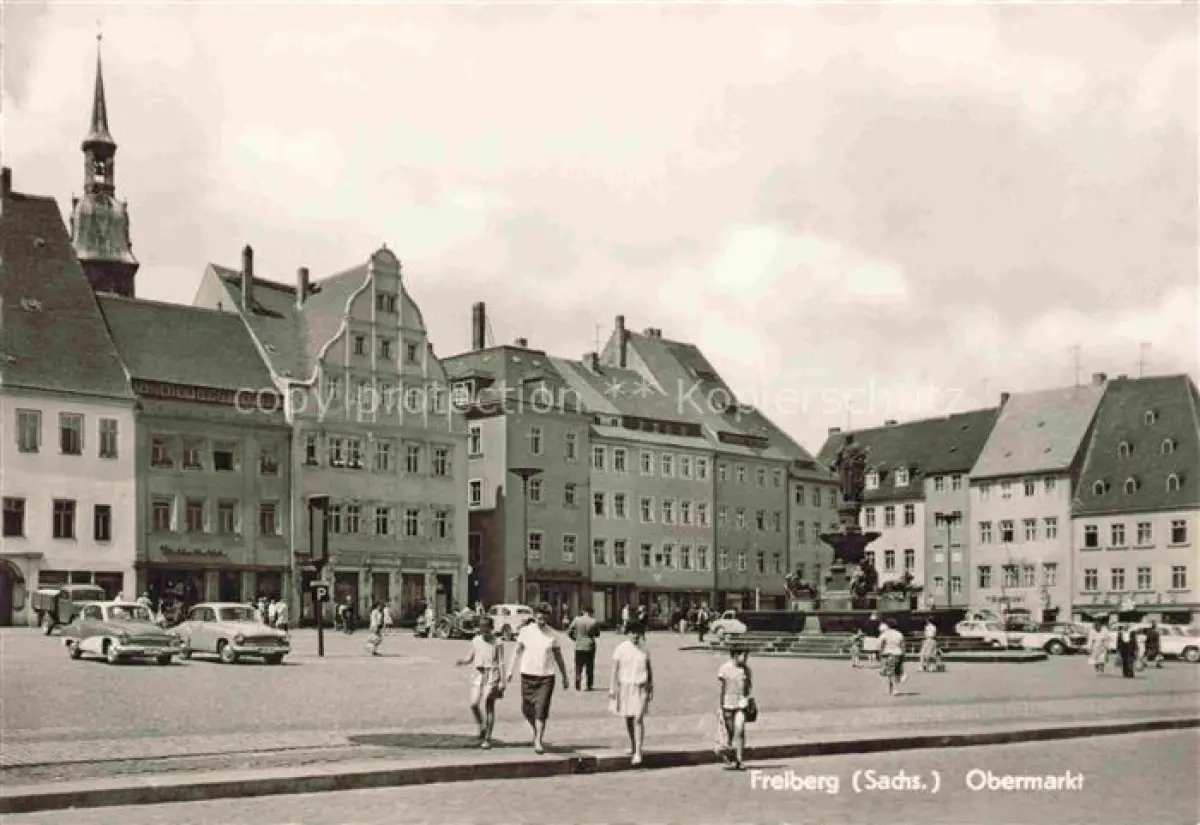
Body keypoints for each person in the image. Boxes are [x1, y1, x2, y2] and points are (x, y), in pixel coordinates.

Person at [506, 603, 570, 754]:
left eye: (545, 616)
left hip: (546, 676)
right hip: (527, 674)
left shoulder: (553, 635)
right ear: (534, 616)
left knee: (541, 709)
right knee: (526, 708)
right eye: (539, 616)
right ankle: (536, 729)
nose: (542, 618)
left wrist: (565, 676)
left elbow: (559, 657)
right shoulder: (525, 632)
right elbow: (517, 651)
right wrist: (510, 670)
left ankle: (538, 741)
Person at [457, 615, 505, 749]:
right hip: (478, 674)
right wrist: (463, 661)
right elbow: (471, 657)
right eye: (481, 627)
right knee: (473, 704)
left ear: (491, 628)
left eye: (486, 627)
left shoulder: (498, 642)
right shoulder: (476, 640)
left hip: (492, 674)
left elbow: (501, 662)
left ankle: (488, 738)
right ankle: (481, 727)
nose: (483, 630)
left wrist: (502, 681)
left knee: (489, 704)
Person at [609, 620, 653, 766]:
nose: (635, 636)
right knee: (629, 718)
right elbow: (615, 670)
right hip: (625, 686)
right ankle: (634, 745)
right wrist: (612, 688)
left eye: (638, 633)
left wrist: (651, 687)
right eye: (632, 633)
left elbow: (649, 669)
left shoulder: (645, 648)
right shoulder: (621, 649)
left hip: (641, 686)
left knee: (638, 718)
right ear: (627, 634)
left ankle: (638, 752)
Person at [716, 644, 752, 771]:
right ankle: (730, 756)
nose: (745, 658)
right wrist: (721, 706)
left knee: (740, 730)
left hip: (741, 704)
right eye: (743, 655)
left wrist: (747, 699)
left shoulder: (746, 670)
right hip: (727, 704)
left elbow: (749, 686)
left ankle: (740, 760)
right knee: (730, 733)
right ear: (736, 655)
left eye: (746, 655)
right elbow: (721, 688)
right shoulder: (724, 669)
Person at [566, 607, 600, 691]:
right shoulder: (593, 621)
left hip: (579, 646)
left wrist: (575, 638)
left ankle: (578, 682)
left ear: (584, 612)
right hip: (590, 646)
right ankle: (589, 685)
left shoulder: (576, 620)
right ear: (590, 612)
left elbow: (569, 632)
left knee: (578, 665)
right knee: (590, 666)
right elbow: (597, 634)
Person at [879, 620, 907, 695]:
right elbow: (902, 645)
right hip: (898, 654)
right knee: (894, 672)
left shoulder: (885, 634)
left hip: (889, 654)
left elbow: (881, 644)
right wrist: (903, 655)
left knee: (890, 673)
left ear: (888, 625)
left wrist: (880, 653)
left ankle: (895, 689)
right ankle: (890, 689)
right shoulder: (899, 634)